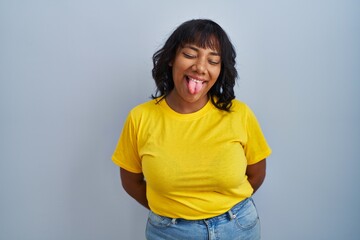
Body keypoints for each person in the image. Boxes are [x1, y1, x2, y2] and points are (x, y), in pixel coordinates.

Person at [112, 19, 272, 240]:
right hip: (169, 233)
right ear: (171, 59)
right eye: (189, 55)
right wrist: (171, 212)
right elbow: (130, 181)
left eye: (213, 60)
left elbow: (256, 174)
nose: (200, 67)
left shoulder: (239, 114)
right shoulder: (140, 117)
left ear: (220, 69)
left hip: (237, 228)